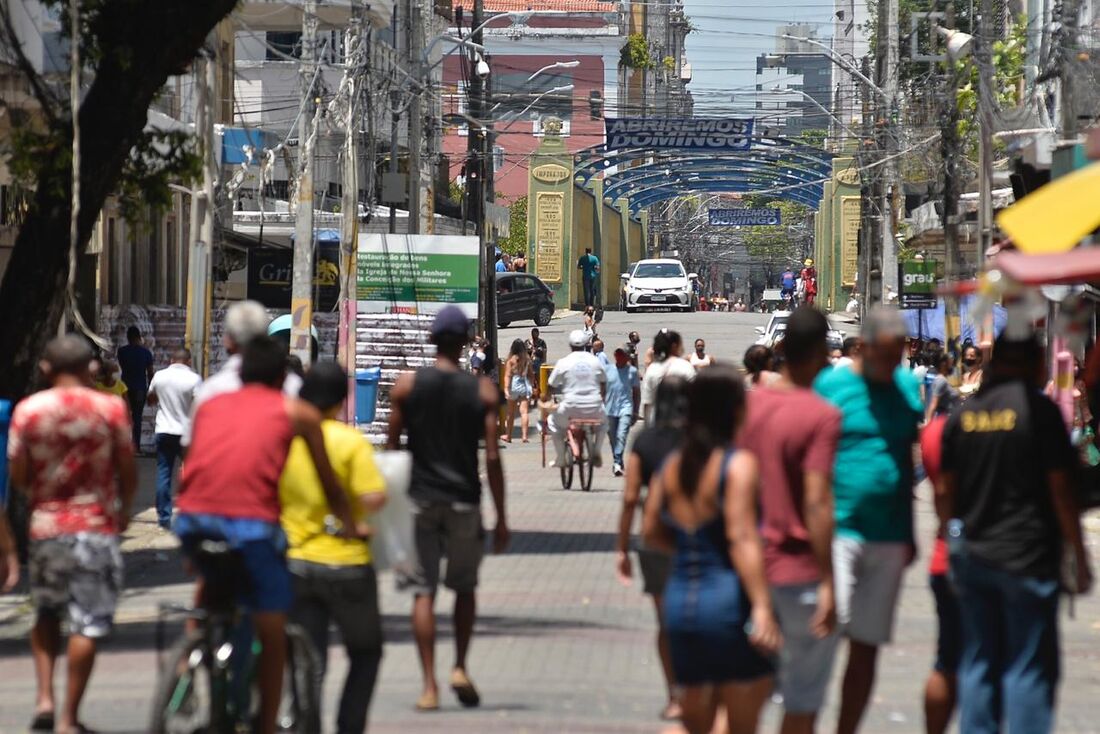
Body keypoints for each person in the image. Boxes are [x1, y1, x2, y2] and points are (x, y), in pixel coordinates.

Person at [176, 336, 359, 734]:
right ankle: (265, 727)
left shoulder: (210, 404)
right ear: (283, 378)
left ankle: (184, 667)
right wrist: (350, 524)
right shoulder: (295, 413)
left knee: (212, 589)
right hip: (252, 528)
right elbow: (330, 484)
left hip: (192, 520)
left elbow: (190, 465)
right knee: (272, 628)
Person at [939, 335, 1092, 734]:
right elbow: (1061, 489)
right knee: (1028, 667)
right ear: (1031, 364)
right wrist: (1077, 553)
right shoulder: (1039, 413)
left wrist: (951, 537)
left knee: (979, 661)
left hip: (973, 555)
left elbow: (944, 492)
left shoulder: (963, 415)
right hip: (1028, 557)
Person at [9, 335, 137, 734]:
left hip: (46, 527)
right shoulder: (111, 408)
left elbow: (19, 474)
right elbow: (127, 470)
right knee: (88, 623)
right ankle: (68, 718)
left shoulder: (29, 411)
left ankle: (44, 697)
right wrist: (123, 511)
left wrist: (40, 495)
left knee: (46, 610)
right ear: (91, 370)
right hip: (96, 527)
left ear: (46, 369)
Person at [642, 368, 781, 734]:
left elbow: (651, 530)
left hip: (680, 606)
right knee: (741, 718)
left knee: (695, 722)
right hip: (727, 604)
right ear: (735, 410)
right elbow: (741, 537)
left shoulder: (673, 467)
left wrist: (693, 547)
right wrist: (764, 607)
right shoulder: (737, 465)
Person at [387, 306, 509, 712]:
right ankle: (459, 666)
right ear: (464, 343)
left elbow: (391, 450)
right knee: (464, 589)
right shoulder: (482, 392)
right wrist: (503, 517)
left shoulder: (407, 387)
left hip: (419, 500)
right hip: (464, 500)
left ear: (433, 340)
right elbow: (492, 457)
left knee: (423, 593)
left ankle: (428, 686)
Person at [813, 308, 923, 734]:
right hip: (837, 529)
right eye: (887, 353)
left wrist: (911, 532)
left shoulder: (907, 387)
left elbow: (904, 460)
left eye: (900, 354)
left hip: (890, 535)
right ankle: (804, 713)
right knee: (826, 629)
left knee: (867, 644)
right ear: (863, 347)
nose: (894, 363)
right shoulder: (832, 386)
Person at [740, 307, 842, 734]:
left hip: (747, 574)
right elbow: (817, 502)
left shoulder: (747, 407)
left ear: (781, 349)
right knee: (800, 704)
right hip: (799, 574)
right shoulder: (822, 416)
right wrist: (830, 582)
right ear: (823, 353)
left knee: (740, 700)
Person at [280, 362, 387, 734]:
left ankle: (304, 725)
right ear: (343, 399)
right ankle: (348, 725)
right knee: (366, 651)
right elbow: (373, 496)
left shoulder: (287, 441)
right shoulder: (349, 441)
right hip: (349, 565)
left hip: (297, 563)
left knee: (309, 659)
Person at [615, 377, 688, 721]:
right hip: (695, 541)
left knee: (666, 621)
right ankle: (695, 687)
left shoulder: (645, 440)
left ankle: (674, 693)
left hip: (655, 539)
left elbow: (630, 498)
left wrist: (621, 548)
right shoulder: (699, 441)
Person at [185, 300, 303, 445]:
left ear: (228, 341)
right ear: (266, 336)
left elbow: (191, 444)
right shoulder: (293, 386)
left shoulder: (212, 390)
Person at [919, 414, 961, 734]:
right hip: (1008, 562)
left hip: (947, 557)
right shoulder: (1030, 416)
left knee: (946, 661)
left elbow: (942, 493)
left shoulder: (938, 430)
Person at [147, 348, 202, 529]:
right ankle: (191, 513)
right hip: (186, 432)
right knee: (191, 473)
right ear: (188, 361)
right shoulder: (194, 379)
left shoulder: (159, 376)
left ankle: (164, 517)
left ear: (172, 360)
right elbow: (200, 406)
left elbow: (151, 399)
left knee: (164, 473)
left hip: (164, 430)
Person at [547, 330, 609, 468]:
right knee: (604, 424)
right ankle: (597, 450)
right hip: (594, 406)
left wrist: (547, 398)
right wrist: (602, 398)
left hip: (570, 407)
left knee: (552, 422)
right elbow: (604, 382)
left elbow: (551, 384)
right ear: (586, 344)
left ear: (570, 345)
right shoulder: (595, 360)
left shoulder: (564, 362)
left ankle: (561, 457)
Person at [640, 330, 696, 424]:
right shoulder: (685, 366)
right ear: (674, 346)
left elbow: (647, 402)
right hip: (681, 424)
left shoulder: (652, 369)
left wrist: (647, 429)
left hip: (657, 423)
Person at [604, 345, 641, 476]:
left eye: (622, 355)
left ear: (626, 357)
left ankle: (617, 461)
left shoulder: (632, 371)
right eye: (617, 354)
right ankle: (618, 461)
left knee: (622, 435)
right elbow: (601, 390)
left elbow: (636, 392)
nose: (619, 357)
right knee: (613, 437)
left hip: (626, 408)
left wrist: (636, 411)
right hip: (609, 409)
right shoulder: (607, 370)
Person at [117, 325, 154, 450]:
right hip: (140, 389)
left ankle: (123, 445)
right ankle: (136, 446)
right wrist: (151, 389)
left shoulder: (122, 351)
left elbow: (123, 366)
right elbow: (150, 372)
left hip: (125, 388)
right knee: (137, 417)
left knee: (123, 416)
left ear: (128, 337)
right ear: (139, 337)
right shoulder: (146, 353)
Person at [503, 338, 537, 443]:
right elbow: (531, 374)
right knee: (524, 412)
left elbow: (508, 376)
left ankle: (508, 436)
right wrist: (532, 386)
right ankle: (525, 436)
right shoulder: (527, 359)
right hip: (524, 385)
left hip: (514, 385)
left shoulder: (511, 360)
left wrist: (506, 389)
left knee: (510, 413)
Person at [925, 351, 959, 421]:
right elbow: (933, 405)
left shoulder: (941, 379)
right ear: (943, 364)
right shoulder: (941, 380)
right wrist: (928, 424)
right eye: (950, 363)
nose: (952, 365)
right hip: (943, 420)